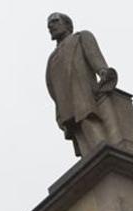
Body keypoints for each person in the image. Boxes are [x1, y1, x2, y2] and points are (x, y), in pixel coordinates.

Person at [46, 12, 118, 157]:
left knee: (88, 120)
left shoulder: (81, 37)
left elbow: (94, 56)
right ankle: (91, 158)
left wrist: (102, 71)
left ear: (67, 24)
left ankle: (103, 152)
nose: (51, 26)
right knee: (77, 130)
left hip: (83, 91)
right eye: (49, 25)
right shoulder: (52, 58)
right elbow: (51, 84)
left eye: (55, 21)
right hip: (66, 102)